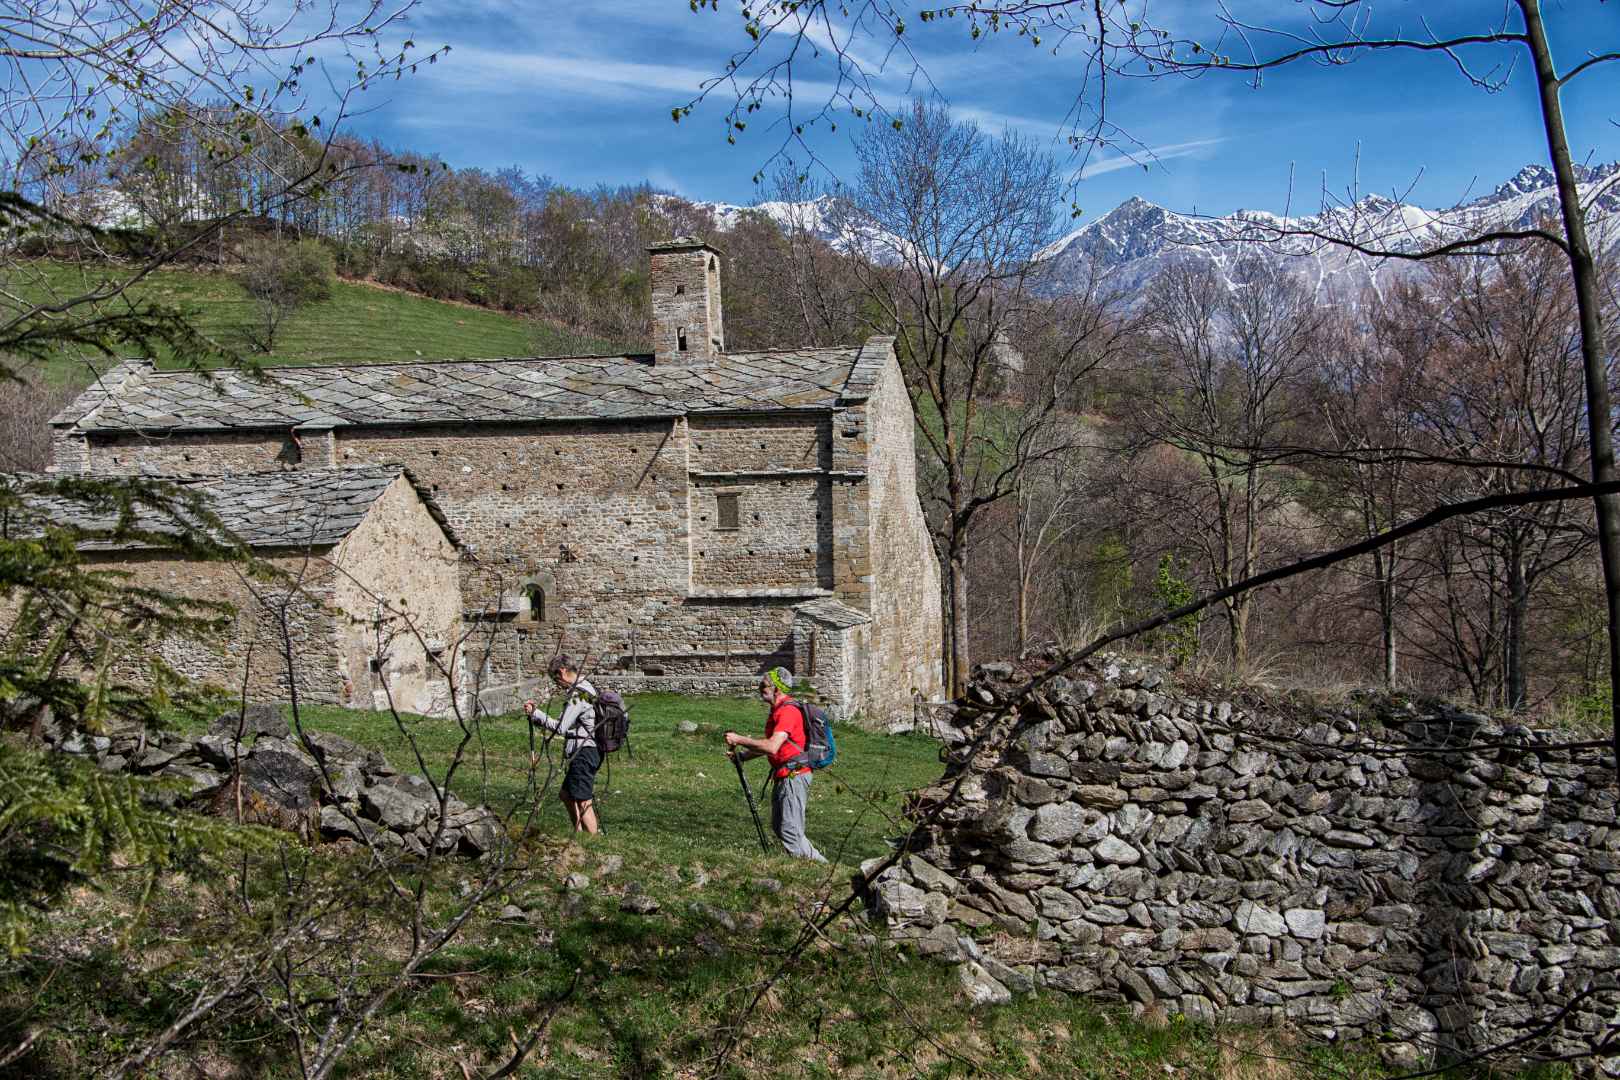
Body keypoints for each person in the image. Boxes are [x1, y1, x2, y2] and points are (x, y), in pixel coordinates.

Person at [724, 666, 826, 862]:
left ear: (777, 689)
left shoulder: (787, 712)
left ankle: (818, 868)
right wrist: (744, 756)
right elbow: (778, 747)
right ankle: (814, 865)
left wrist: (739, 739)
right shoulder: (778, 711)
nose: (760, 687)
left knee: (789, 831)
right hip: (784, 775)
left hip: (794, 776)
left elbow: (771, 746)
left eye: (764, 685)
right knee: (781, 827)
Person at [524, 655, 600, 835]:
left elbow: (561, 727)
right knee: (566, 795)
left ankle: (593, 841)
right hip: (583, 750)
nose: (557, 684)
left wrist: (536, 714)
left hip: (584, 751)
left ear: (562, 672)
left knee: (583, 800)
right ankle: (578, 834)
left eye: (556, 679)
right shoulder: (585, 688)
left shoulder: (578, 694)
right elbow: (568, 723)